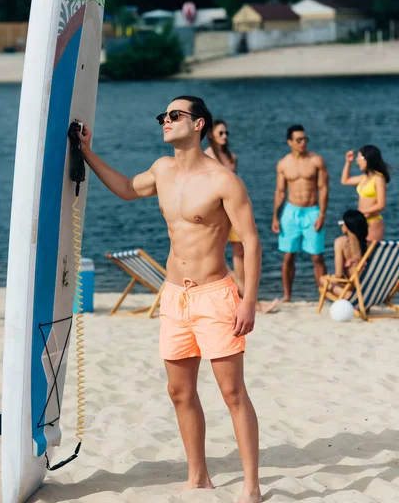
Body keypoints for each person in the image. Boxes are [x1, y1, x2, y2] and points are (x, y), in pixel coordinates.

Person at [78, 96, 262, 503]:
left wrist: (248, 300)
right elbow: (127, 189)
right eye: (163, 116)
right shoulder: (162, 170)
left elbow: (250, 240)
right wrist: (87, 152)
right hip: (174, 296)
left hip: (216, 297)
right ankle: (199, 477)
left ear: (198, 125)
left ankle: (251, 485)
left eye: (175, 115)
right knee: (179, 392)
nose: (165, 120)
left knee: (233, 394)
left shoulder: (223, 180)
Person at [271, 124, 329, 302]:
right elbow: (280, 192)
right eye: (299, 140)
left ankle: (323, 295)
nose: (303, 142)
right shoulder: (283, 164)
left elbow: (323, 188)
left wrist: (322, 215)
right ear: (290, 142)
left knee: (317, 256)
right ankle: (287, 296)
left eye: (305, 139)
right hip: (291, 212)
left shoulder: (316, 160)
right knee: (288, 256)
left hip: (312, 211)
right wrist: (275, 216)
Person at [204, 119, 244, 295]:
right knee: (215, 252)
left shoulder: (231, 157)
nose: (225, 136)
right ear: (211, 135)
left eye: (226, 133)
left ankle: (242, 291)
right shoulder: (206, 156)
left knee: (240, 251)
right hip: (215, 211)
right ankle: (236, 290)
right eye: (220, 133)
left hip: (234, 209)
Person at [341, 145, 390, 241]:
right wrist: (348, 162)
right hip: (360, 221)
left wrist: (359, 213)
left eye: (359, 158)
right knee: (356, 253)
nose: (357, 161)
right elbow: (344, 181)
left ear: (368, 159)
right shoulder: (364, 178)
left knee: (369, 254)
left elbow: (381, 205)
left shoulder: (378, 179)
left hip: (372, 222)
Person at [320, 209, 368, 297]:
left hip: (354, 288)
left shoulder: (341, 242)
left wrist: (331, 281)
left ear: (348, 226)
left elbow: (339, 274)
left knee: (323, 279)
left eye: (342, 222)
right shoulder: (370, 244)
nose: (341, 225)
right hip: (369, 288)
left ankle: (350, 297)